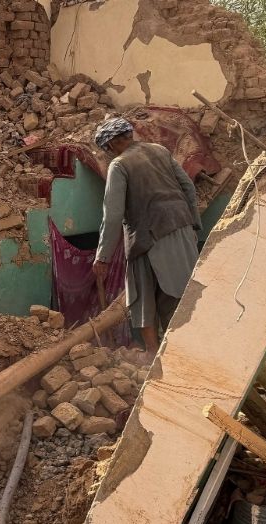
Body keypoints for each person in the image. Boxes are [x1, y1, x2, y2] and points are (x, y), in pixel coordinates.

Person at [91, 117, 201, 356]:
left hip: (147, 238)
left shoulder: (119, 165)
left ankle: (156, 354)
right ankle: (188, 351)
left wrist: (103, 257)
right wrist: (193, 225)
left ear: (110, 146)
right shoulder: (160, 151)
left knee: (143, 297)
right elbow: (188, 188)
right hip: (182, 229)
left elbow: (112, 215)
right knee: (189, 293)